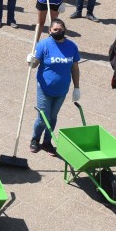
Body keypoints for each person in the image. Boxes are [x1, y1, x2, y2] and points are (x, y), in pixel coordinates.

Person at [26, 19, 80, 153]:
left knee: (53, 117)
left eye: (61, 29)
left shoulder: (72, 46)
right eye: (55, 29)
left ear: (65, 30)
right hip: (45, 89)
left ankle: (47, 141)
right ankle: (35, 139)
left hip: (62, 90)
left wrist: (77, 87)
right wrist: (30, 61)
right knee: (43, 117)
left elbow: (75, 68)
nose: (58, 31)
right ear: (50, 31)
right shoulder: (43, 45)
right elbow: (35, 64)